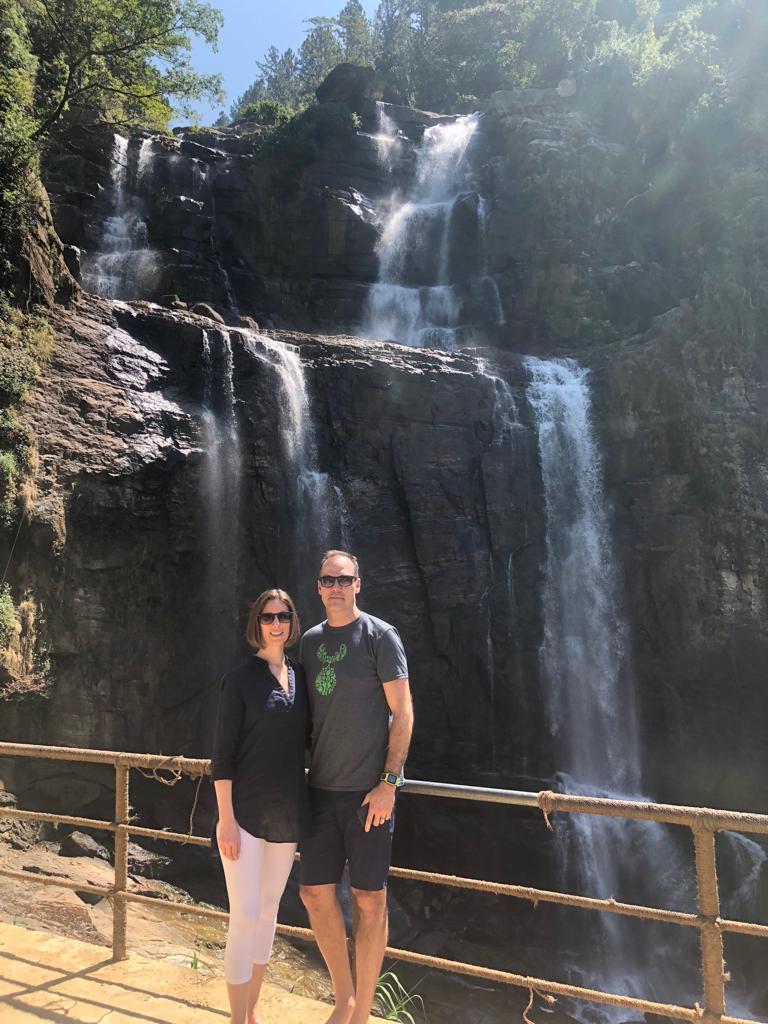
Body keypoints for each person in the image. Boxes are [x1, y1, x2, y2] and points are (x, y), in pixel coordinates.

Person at [299, 550, 414, 1024]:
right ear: (318, 587)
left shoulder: (381, 636)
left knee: (370, 899)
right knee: (314, 893)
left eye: (344, 580)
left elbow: (403, 712)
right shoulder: (308, 643)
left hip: (369, 795)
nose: (336, 587)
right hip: (320, 792)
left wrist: (389, 783)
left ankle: (363, 1013)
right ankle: (344, 998)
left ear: (358, 585)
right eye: (328, 580)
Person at [211, 588, 308, 1024]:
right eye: (268, 617)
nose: (276, 624)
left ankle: (251, 1011)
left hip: (286, 815)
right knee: (245, 914)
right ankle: (237, 1019)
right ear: (257, 623)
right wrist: (225, 820)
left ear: (292, 622)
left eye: (283, 616)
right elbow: (223, 754)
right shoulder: (240, 680)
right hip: (245, 815)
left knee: (268, 912)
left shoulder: (301, 677)